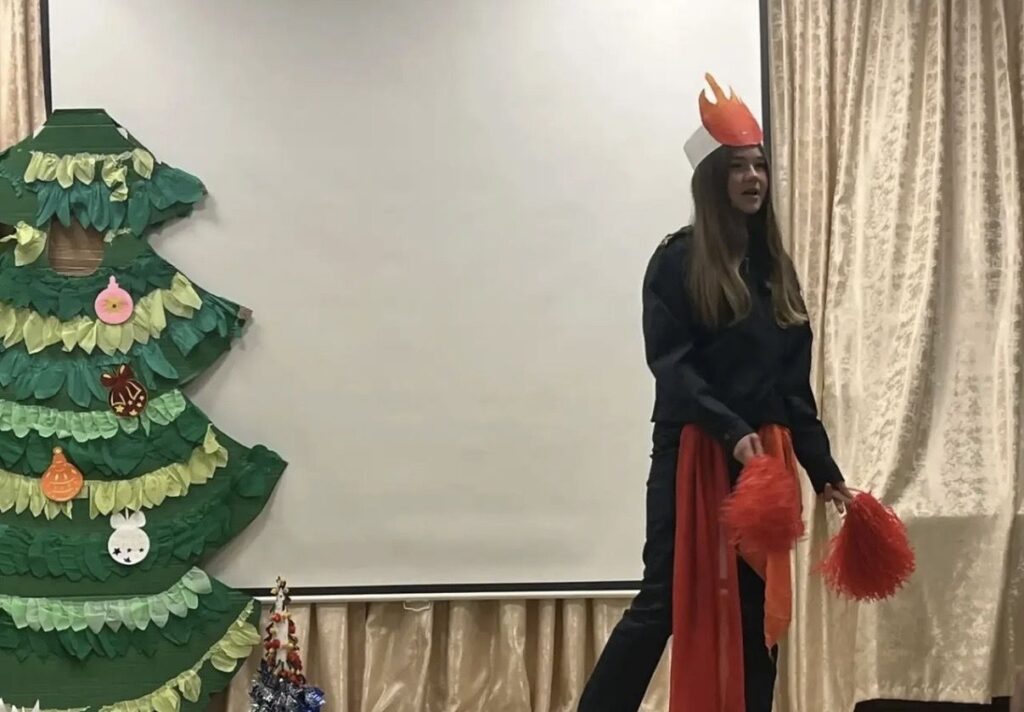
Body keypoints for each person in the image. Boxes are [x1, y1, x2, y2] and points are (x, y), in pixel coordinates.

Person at [577, 74, 853, 712]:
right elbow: (671, 365)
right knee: (664, 601)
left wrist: (824, 470)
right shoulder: (676, 261)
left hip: (763, 468)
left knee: (758, 608)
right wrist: (732, 431)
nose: (753, 177)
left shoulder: (776, 271)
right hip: (693, 451)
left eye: (759, 165)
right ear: (711, 180)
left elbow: (793, 387)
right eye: (737, 167)